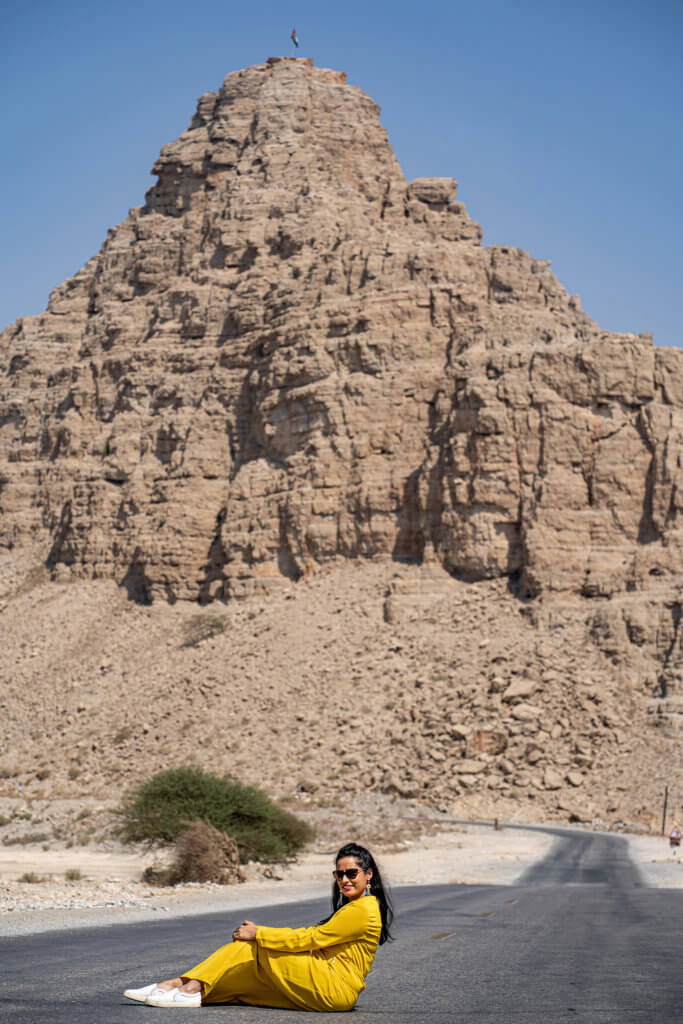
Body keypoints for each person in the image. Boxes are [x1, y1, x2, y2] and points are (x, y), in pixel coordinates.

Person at [123, 842, 393, 1011]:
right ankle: (181, 988)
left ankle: (185, 988)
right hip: (329, 986)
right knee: (248, 981)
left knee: (253, 945)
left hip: (334, 987)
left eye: (351, 873)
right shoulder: (356, 906)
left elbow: (311, 938)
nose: (344, 879)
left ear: (368, 874)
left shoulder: (365, 910)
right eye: (339, 874)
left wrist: (259, 932)